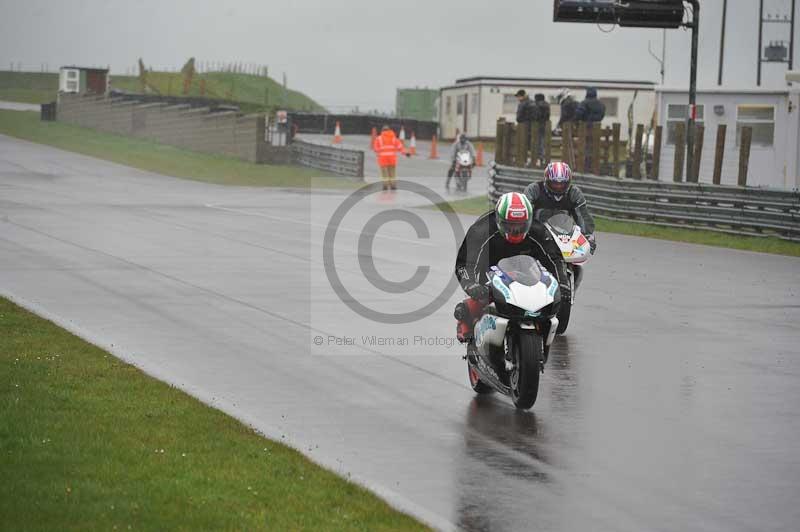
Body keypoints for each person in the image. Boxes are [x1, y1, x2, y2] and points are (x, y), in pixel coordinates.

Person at [453, 191, 568, 344]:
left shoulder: (538, 230)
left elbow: (555, 259)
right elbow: (464, 263)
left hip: (524, 267)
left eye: (521, 225)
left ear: (528, 220)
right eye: (510, 225)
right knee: (478, 300)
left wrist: (563, 282)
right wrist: (471, 285)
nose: (516, 230)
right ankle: (468, 320)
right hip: (487, 268)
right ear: (500, 220)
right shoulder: (481, 230)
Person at [523, 161, 596, 253]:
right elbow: (524, 211)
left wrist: (588, 236)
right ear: (547, 180)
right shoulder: (534, 189)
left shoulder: (574, 193)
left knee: (578, 255)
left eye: (562, 183)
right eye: (555, 183)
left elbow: (583, 215)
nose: (558, 187)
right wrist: (523, 233)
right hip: (536, 235)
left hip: (564, 236)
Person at [372, 125, 407, 190]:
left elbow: (375, 149)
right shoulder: (394, 138)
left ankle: (385, 186)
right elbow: (400, 147)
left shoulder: (379, 138)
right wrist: (405, 153)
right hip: (392, 158)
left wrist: (379, 152)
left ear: (382, 131)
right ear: (389, 130)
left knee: (384, 173)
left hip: (383, 158)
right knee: (392, 172)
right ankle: (393, 185)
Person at [532, 93, 550, 162]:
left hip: (537, 125)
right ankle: (543, 156)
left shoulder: (537, 105)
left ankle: (538, 157)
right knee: (543, 141)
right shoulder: (547, 105)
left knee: (537, 142)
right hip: (545, 125)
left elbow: (536, 115)